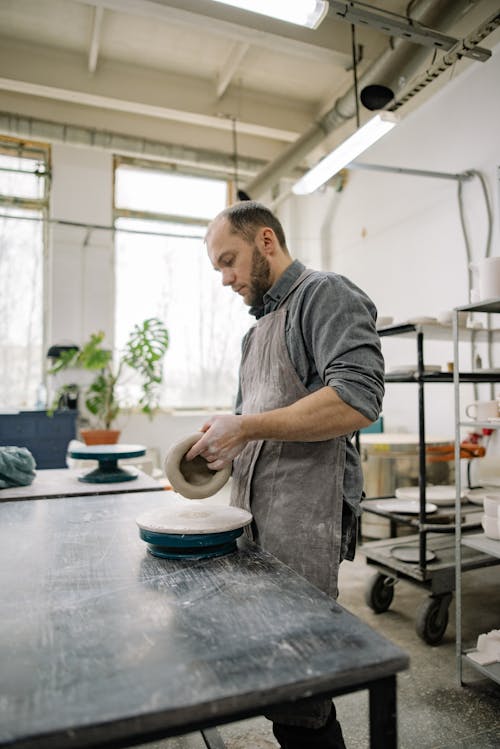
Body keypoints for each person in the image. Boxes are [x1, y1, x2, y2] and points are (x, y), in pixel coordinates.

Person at [186, 201, 384, 749]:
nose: (226, 279)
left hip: (305, 515)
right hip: (253, 516)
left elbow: (357, 399)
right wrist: (220, 443)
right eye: (218, 269)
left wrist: (245, 426)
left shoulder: (325, 295)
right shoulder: (255, 334)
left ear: (266, 241)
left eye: (230, 261)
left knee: (301, 691)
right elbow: (251, 424)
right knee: (276, 676)